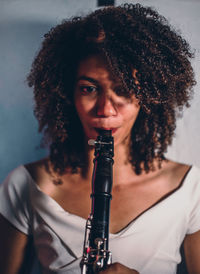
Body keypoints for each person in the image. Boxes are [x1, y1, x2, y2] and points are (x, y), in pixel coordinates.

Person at [0, 3, 199, 274]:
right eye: (89, 88)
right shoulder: (25, 185)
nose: (105, 109)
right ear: (68, 94)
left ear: (147, 97)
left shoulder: (190, 189)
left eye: (124, 89)